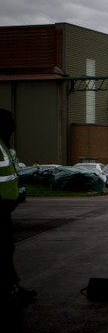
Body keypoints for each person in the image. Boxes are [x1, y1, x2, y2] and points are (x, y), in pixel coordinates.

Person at [0, 108, 36, 310]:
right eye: (9, 122)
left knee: (7, 248)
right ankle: (8, 291)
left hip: (5, 207)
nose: (13, 127)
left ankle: (11, 286)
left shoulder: (4, 146)